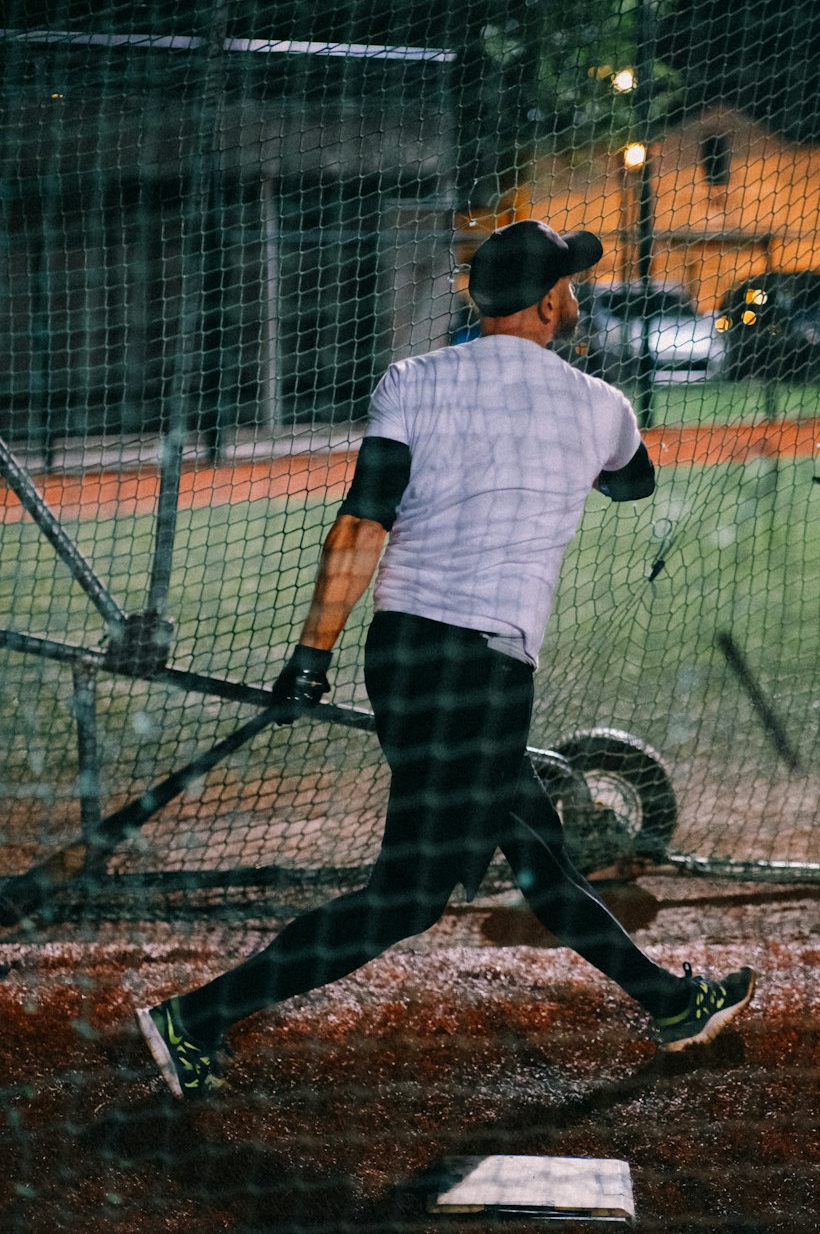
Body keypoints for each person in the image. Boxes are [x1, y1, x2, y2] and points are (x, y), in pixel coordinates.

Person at [136, 219, 755, 1099]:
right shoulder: (599, 405)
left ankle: (667, 1003)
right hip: (486, 672)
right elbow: (633, 482)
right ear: (548, 303)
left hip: (402, 655)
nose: (574, 297)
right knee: (410, 896)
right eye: (569, 286)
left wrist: (313, 655)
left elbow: (360, 525)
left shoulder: (412, 380)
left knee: (538, 851)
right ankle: (193, 1019)